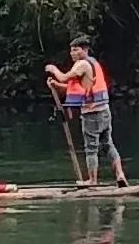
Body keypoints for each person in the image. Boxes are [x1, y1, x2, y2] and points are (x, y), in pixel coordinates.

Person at [44, 37, 125, 186]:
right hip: (105, 110)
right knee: (108, 144)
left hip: (92, 113)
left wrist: (52, 69)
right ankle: (120, 174)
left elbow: (63, 76)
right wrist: (56, 85)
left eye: (76, 50)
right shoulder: (94, 63)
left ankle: (92, 181)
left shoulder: (81, 64)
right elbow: (78, 89)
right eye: (71, 50)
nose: (72, 53)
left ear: (85, 50)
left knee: (91, 148)